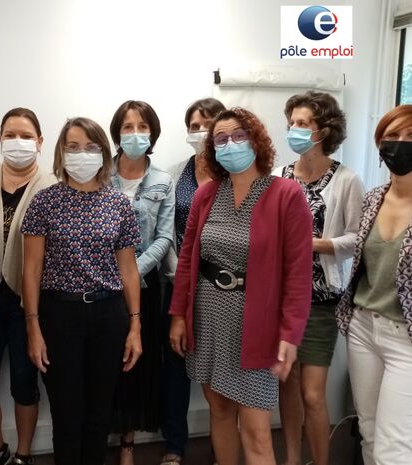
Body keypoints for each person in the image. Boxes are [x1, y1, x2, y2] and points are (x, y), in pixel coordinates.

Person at [169, 107, 312, 465]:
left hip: (257, 324)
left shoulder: (287, 194)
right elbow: (187, 258)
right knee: (218, 409)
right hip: (207, 314)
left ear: (256, 140)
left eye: (238, 136)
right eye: (220, 139)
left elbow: (298, 274)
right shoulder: (206, 194)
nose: (230, 144)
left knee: (257, 431)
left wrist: (290, 333)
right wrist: (179, 315)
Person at [22, 117, 142, 465]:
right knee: (66, 413)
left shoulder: (118, 204)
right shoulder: (44, 202)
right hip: (59, 315)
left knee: (99, 412)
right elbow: (31, 270)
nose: (82, 154)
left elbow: (128, 270)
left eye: (91, 147)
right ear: (61, 153)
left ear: (103, 153)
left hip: (108, 315)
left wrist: (135, 325)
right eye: (73, 147)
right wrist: (33, 327)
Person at [336, 104, 412, 465]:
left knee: (393, 448)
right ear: (380, 144)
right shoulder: (373, 198)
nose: (401, 143)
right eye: (392, 135)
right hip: (364, 328)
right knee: (369, 433)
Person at [274, 91, 364, 465]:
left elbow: (358, 238)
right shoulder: (277, 176)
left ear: (324, 130)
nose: (294, 129)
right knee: (287, 384)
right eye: (291, 122)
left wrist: (312, 244)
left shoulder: (346, 180)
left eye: (303, 123)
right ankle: (292, 459)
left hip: (321, 299)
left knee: (312, 393)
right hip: (280, 300)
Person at [0, 107, 56, 465]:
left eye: (25, 136)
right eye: (10, 135)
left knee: (24, 380)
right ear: (0, 139)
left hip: (29, 303)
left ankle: (23, 454)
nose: (17, 142)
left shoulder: (54, 186)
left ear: (39, 142)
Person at [107, 100, 173, 465]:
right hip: (101, 285)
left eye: (142, 127)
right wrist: (112, 273)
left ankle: (128, 442)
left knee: (136, 364)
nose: (135, 134)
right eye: (128, 127)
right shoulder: (99, 174)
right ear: (117, 133)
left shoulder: (163, 180)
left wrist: (131, 271)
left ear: (153, 133)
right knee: (104, 362)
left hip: (145, 287)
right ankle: (97, 433)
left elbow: (164, 238)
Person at [159, 97, 225, 465]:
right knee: (175, 367)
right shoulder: (174, 175)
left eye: (208, 124)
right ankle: (174, 445)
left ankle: (222, 447)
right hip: (179, 283)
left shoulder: (234, 174)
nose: (201, 132)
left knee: (220, 371)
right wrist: (179, 276)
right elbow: (167, 232)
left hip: (222, 288)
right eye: (194, 126)